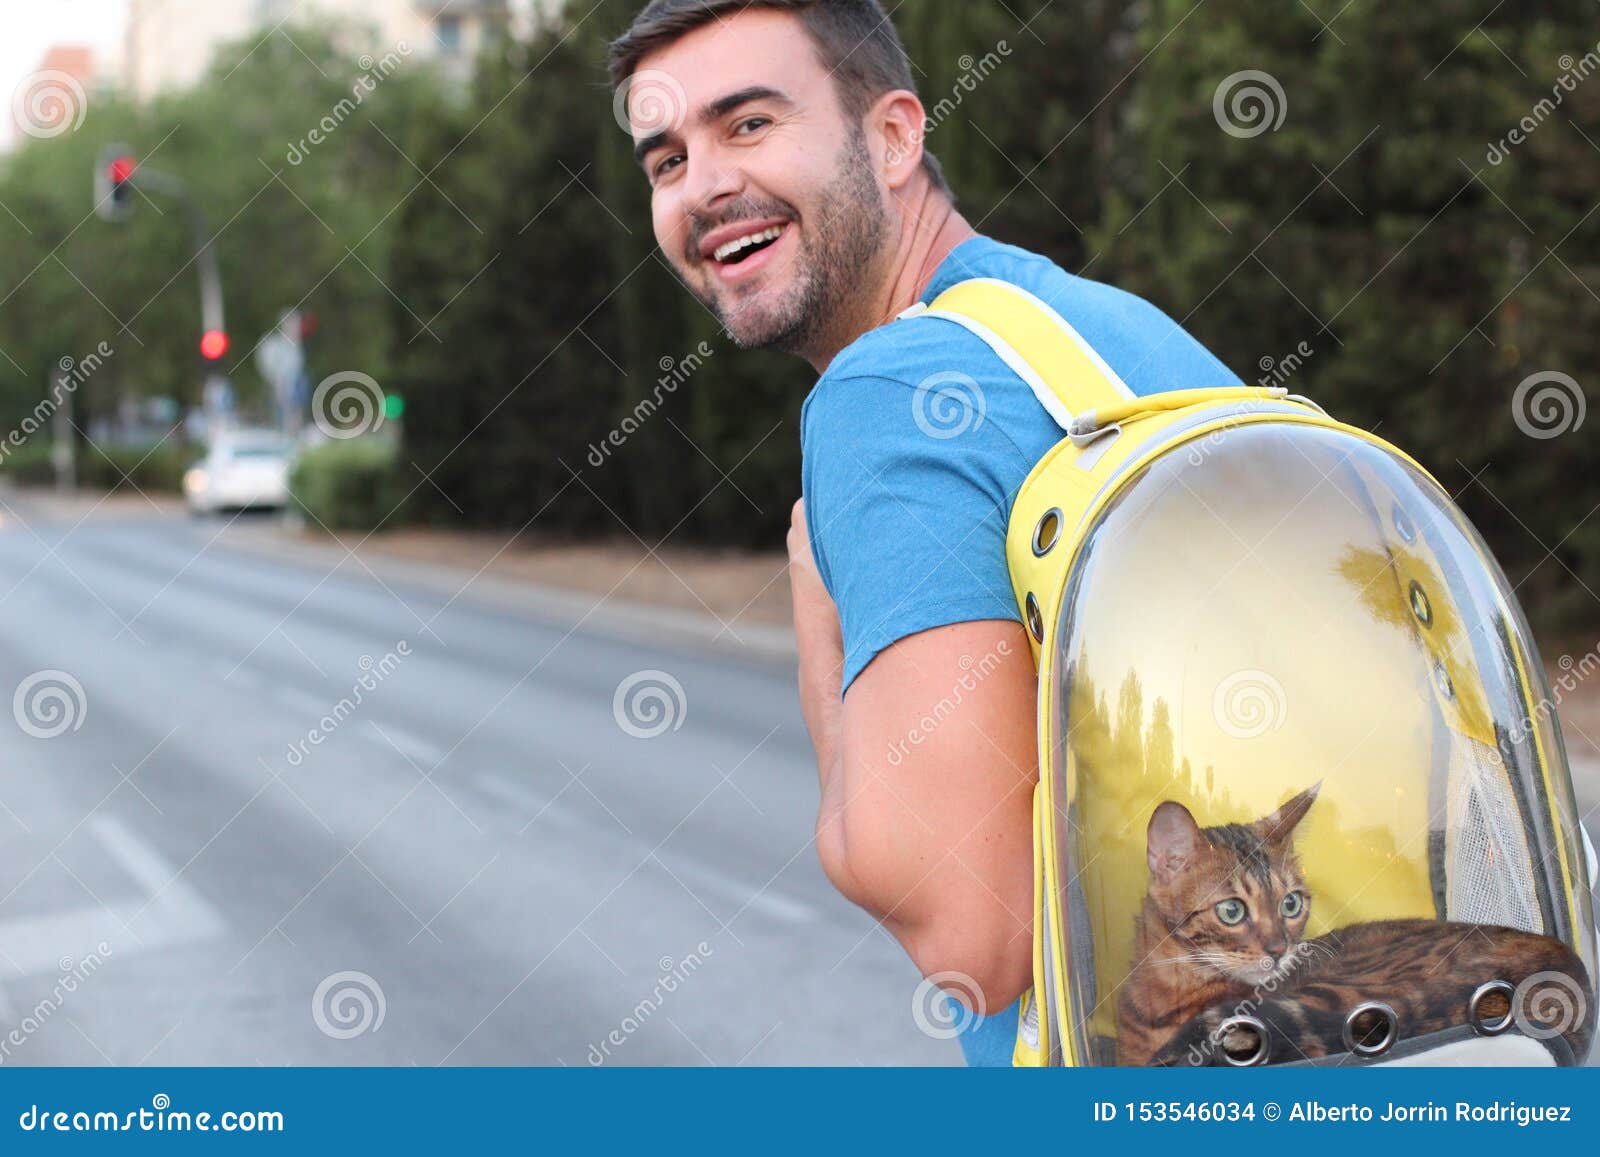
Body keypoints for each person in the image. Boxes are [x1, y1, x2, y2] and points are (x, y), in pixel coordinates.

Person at [610, 0, 1239, 1066]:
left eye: (750, 124)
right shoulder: (1101, 332)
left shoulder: (888, 389)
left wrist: (818, 618)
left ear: (894, 136)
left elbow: (973, 938)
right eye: (665, 160)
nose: (704, 185)